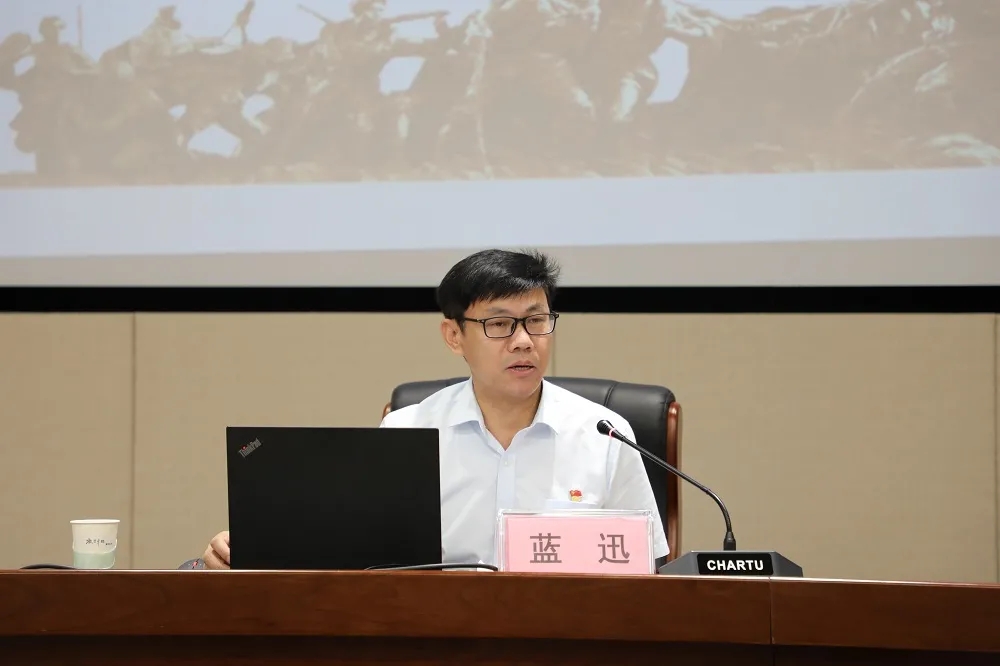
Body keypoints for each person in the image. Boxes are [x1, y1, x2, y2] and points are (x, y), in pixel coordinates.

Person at [201, 248, 667, 569]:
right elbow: (358, 556)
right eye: (500, 324)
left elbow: (646, 567)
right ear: (453, 336)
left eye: (537, 321)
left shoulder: (605, 432)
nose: (524, 341)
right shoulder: (407, 430)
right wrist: (253, 548)